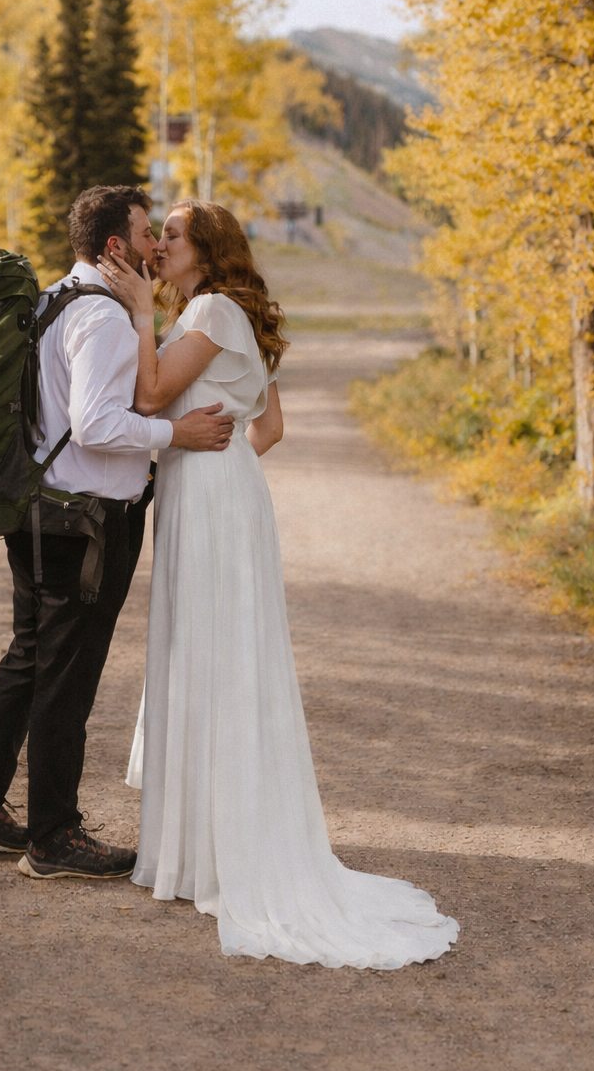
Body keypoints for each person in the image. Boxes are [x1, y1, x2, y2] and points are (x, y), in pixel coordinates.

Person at [99, 199, 459, 967]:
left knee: (216, 655)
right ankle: (203, 849)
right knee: (214, 653)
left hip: (210, 497)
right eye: (156, 232)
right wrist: (221, 470)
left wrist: (136, 313)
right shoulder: (227, 313)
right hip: (216, 492)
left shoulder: (213, 309)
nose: (158, 243)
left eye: (170, 234)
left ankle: (215, 855)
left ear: (206, 250)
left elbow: (154, 396)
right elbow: (269, 428)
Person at [0, 185, 235, 881]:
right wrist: (176, 433)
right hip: (88, 525)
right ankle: (53, 837)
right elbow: (99, 422)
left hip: (41, 513)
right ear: (114, 247)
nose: (153, 246)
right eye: (143, 233)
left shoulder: (53, 300)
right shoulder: (101, 318)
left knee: (30, 659)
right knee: (65, 680)